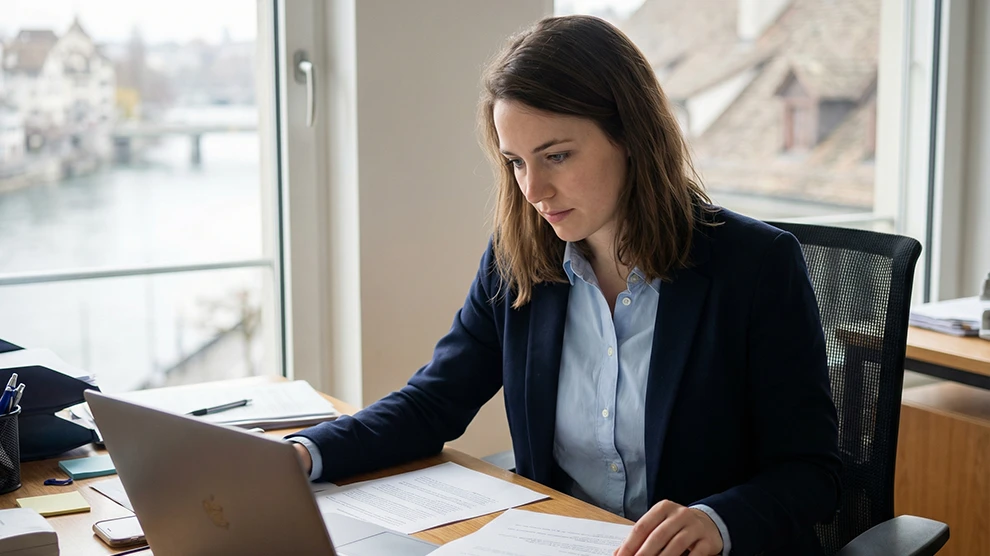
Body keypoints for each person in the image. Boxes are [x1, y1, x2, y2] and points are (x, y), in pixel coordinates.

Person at [288, 14, 841, 556]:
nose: (533, 188)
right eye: (516, 163)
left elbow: (813, 472)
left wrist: (717, 521)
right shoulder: (518, 260)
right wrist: (303, 455)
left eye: (556, 156)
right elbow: (433, 402)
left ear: (630, 135)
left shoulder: (757, 266)